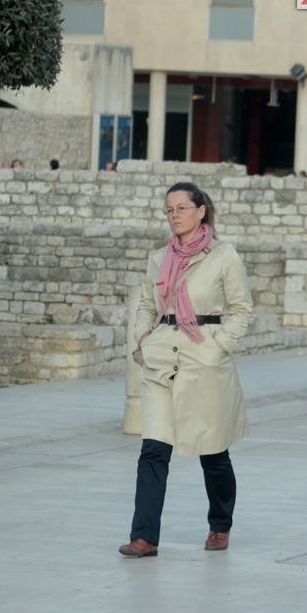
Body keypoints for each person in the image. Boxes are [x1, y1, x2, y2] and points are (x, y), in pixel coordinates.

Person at [119, 182, 253, 558]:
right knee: (153, 449)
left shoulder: (223, 256)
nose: (174, 215)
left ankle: (220, 524)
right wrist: (144, 338)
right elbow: (147, 305)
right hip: (161, 358)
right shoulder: (159, 257)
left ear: (201, 211)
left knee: (213, 452)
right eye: (169, 209)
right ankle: (144, 537)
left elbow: (242, 310)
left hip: (204, 360)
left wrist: (217, 347)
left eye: (181, 208)